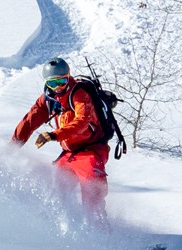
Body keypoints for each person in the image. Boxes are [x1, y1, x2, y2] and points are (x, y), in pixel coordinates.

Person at [12, 58, 110, 215]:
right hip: (69, 153)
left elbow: (82, 121)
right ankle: (60, 226)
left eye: (62, 81)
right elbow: (30, 121)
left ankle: (101, 234)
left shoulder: (79, 94)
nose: (58, 87)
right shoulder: (49, 99)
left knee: (92, 193)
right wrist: (13, 146)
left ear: (68, 77)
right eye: (52, 84)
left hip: (91, 151)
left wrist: (54, 135)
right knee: (54, 190)